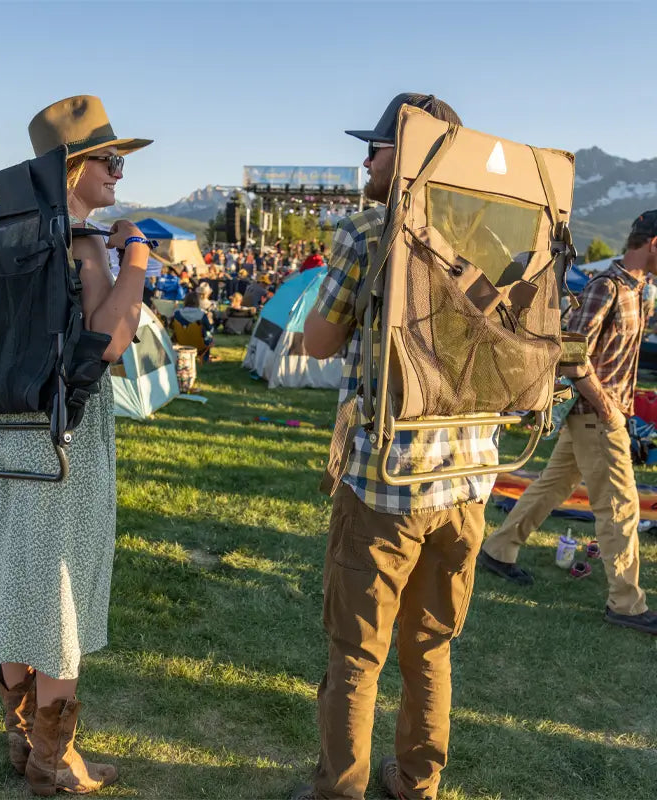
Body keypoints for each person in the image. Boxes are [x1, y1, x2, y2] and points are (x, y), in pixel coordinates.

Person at [294, 93, 495, 800]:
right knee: (432, 646)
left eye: (375, 147)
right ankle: (416, 780)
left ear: (405, 152)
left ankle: (339, 788)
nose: (365, 159)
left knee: (355, 653)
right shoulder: (491, 235)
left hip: (387, 483)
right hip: (469, 483)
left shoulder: (366, 231)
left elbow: (318, 342)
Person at [0, 94, 152, 795]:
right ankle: (55, 761)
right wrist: (134, 255)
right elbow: (108, 340)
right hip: (62, 434)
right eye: (109, 160)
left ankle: (23, 742)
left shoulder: (7, 238)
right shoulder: (80, 244)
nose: (118, 174)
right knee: (60, 594)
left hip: (3, 430)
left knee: (18, 577)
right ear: (73, 166)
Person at [479, 210, 657, 635]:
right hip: (598, 414)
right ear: (653, 243)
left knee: (551, 486)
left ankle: (499, 549)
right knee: (620, 509)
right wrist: (609, 408)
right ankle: (626, 604)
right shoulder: (606, 287)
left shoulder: (641, 289)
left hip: (602, 413)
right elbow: (571, 355)